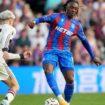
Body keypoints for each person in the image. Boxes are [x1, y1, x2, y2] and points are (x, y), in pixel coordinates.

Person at [28, 0, 101, 105]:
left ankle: (67, 102)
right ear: (67, 7)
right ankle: (60, 99)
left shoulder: (77, 26)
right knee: (48, 69)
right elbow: (42, 18)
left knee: (70, 80)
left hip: (65, 53)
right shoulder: (56, 17)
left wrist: (93, 56)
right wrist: (34, 22)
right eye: (72, 7)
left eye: (76, 9)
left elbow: (84, 41)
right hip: (51, 50)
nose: (74, 10)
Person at [0, 10, 31, 105]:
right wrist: (5, 48)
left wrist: (21, 56)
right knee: (15, 86)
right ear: (10, 20)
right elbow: (5, 53)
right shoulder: (10, 28)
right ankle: (5, 103)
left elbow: (5, 55)